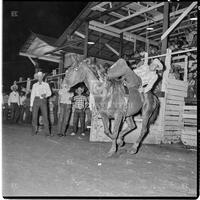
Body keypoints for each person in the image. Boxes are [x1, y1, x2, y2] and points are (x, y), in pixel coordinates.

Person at [30, 71, 52, 136]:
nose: (40, 77)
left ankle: (47, 133)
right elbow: (32, 95)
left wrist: (45, 95)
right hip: (36, 101)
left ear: (42, 77)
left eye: (41, 76)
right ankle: (34, 132)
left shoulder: (46, 84)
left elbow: (50, 93)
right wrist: (31, 105)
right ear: (37, 77)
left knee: (45, 117)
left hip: (43, 101)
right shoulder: (34, 85)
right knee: (34, 117)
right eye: (38, 76)